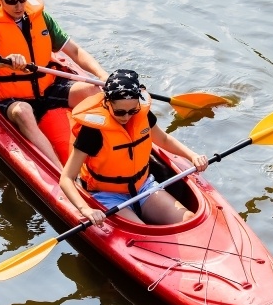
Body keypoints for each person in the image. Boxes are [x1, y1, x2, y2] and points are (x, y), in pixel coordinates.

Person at [0, 0, 109, 169]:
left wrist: (103, 75)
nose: (19, 6)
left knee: (94, 91)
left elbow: (75, 51)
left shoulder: (40, 18)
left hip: (47, 87)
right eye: (11, 1)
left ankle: (111, 153)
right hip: (9, 97)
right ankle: (60, 173)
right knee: (23, 112)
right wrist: (2, 61)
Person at [60, 69, 209, 226]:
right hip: (106, 195)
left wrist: (192, 155)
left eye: (132, 110)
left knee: (188, 218)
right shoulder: (92, 131)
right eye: (120, 112)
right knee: (142, 231)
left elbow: (164, 140)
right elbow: (66, 178)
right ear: (107, 102)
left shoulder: (143, 115)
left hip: (143, 187)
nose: (127, 117)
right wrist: (85, 209)